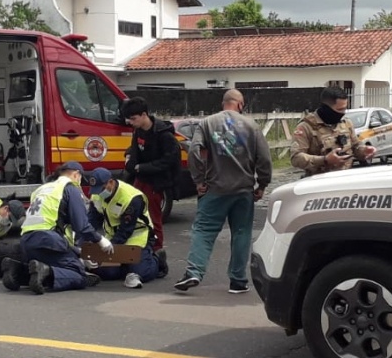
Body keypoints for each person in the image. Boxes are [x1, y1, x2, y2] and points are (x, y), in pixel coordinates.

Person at [173, 90, 272, 294]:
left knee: (203, 231)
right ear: (241, 104)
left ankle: (194, 271)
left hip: (215, 189)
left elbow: (193, 151)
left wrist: (199, 180)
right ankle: (238, 280)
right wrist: (262, 185)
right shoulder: (251, 126)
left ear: (223, 103)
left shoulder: (208, 123)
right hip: (243, 190)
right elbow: (264, 158)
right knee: (241, 233)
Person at [2, 161, 112, 294]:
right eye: (81, 178)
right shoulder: (70, 188)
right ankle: (47, 271)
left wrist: (79, 254)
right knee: (79, 274)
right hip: (48, 240)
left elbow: (52, 223)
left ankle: (16, 270)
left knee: (38, 269)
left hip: (27, 241)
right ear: (76, 174)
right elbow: (81, 226)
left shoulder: (41, 189)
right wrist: (100, 240)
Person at [83, 167, 167, 289]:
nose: (99, 194)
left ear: (111, 182)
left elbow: (126, 230)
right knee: (106, 272)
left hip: (137, 237)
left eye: (101, 189)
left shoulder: (131, 198)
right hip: (112, 236)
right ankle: (125, 264)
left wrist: (109, 246)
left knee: (140, 273)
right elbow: (93, 220)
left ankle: (157, 260)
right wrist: (89, 241)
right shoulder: (96, 196)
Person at [120, 96, 180, 254]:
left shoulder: (164, 134)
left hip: (156, 182)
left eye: (133, 118)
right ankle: (140, 245)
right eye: (129, 119)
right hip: (140, 180)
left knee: (154, 218)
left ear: (144, 115)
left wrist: (142, 167)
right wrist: (129, 158)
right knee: (136, 214)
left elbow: (169, 160)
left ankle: (157, 250)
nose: (131, 123)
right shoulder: (138, 130)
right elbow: (134, 148)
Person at [291, 86, 377, 177]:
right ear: (326, 108)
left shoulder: (346, 123)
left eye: (345, 108)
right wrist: (325, 160)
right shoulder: (306, 127)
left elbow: (355, 146)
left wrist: (364, 150)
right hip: (318, 183)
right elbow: (296, 158)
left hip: (345, 179)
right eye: (339, 109)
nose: (343, 112)